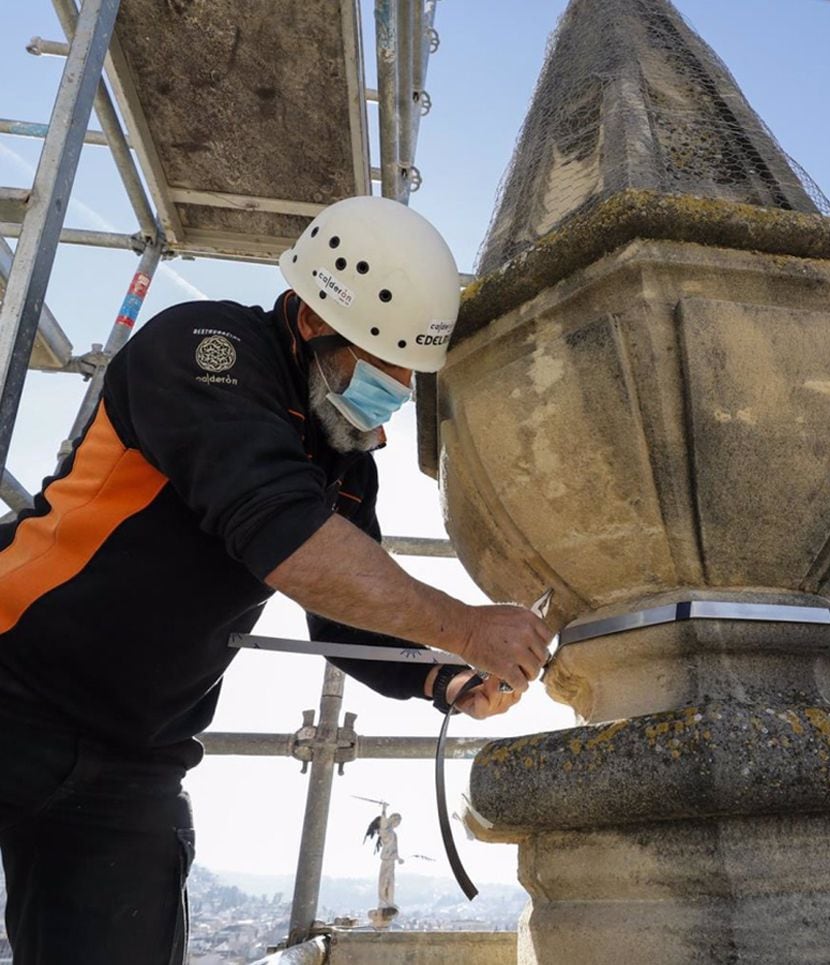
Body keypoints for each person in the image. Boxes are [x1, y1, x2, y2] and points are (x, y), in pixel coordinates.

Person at [0, 196, 552, 964]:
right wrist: (466, 625)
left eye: (401, 389)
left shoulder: (344, 462)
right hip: (13, 681)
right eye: (378, 380)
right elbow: (282, 533)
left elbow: (344, 616)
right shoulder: (205, 349)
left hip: (132, 752)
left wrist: (443, 678)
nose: (384, 419)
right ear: (310, 323)